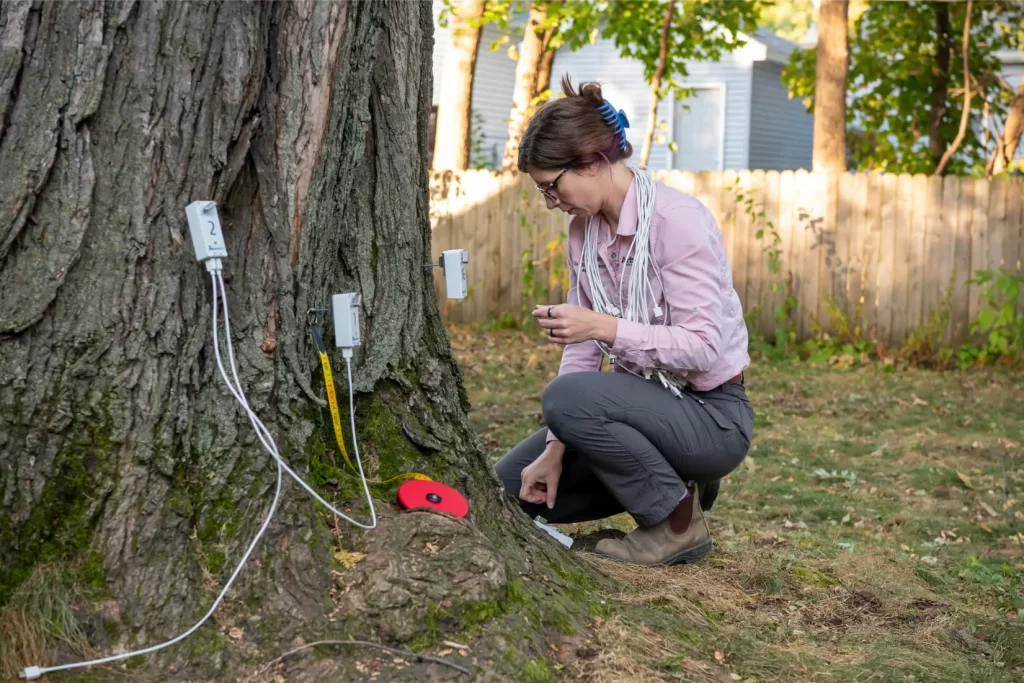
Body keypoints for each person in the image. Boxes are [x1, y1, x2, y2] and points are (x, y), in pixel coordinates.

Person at [494, 76, 754, 566]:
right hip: (644, 408)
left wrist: (601, 326)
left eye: (552, 187)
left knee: (564, 398)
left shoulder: (676, 222)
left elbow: (702, 347)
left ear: (592, 163)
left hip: (712, 416)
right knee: (509, 489)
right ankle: (676, 483)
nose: (551, 202)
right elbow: (583, 350)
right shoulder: (583, 233)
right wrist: (555, 447)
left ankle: (678, 522)